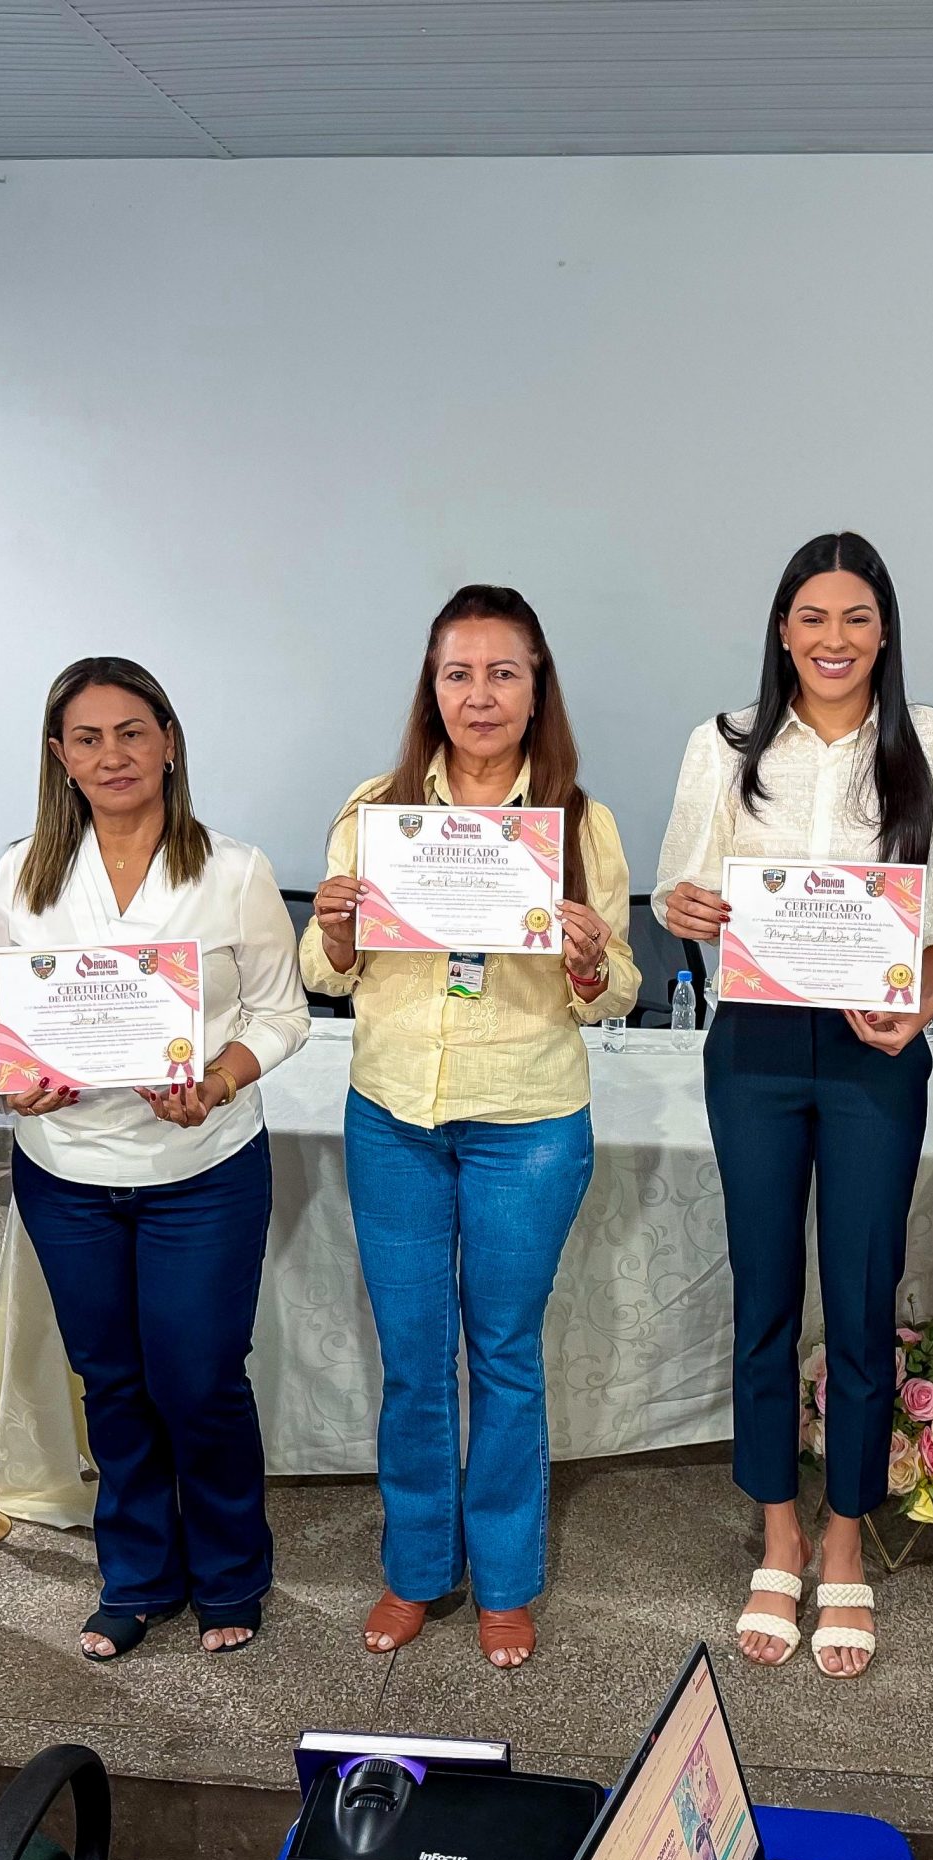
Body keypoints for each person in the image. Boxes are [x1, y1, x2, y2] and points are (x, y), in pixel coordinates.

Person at [655, 531, 933, 1679]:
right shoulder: (721, 747)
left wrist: (928, 1005)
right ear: (781, 631)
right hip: (753, 1045)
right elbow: (676, 886)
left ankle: (846, 1543)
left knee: (860, 1302)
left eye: (856, 619)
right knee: (762, 1294)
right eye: (812, 618)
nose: (833, 640)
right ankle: (776, 1532)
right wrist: (693, 908)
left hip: (874, 1047)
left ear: (884, 632)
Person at [302, 585, 639, 1670]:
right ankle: (412, 1572)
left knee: (500, 1354)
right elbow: (320, 969)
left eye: (503, 673)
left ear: (537, 686)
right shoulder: (376, 810)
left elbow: (620, 987)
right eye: (459, 673)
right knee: (411, 1361)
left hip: (527, 1120)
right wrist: (340, 930)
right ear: (431, 687)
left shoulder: (578, 824)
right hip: (393, 1112)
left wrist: (587, 958)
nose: (479, 695)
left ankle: (503, 1578)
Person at [0, 658, 308, 1661]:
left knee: (200, 1378)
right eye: (87, 739)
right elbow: (9, 1021)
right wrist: (20, 1079)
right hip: (67, 1166)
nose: (112, 755)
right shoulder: (20, 873)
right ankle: (135, 1577)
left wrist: (216, 1080)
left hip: (201, 1166)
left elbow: (281, 1014)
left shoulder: (235, 870)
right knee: (111, 1381)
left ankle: (228, 1574)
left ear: (169, 741)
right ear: (59, 758)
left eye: (132, 732)